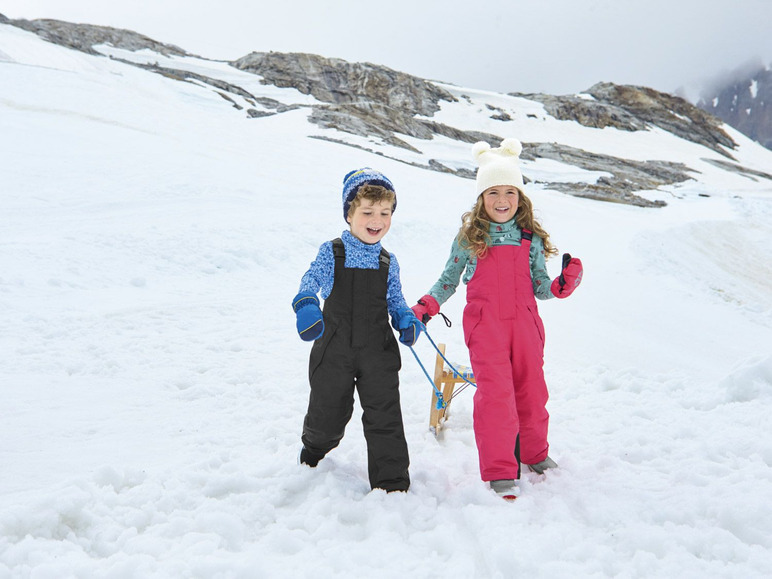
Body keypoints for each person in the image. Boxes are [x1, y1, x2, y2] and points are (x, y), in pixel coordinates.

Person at [411, 138, 583, 500]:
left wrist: (562, 284)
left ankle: (534, 454)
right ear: (481, 198)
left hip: (525, 325)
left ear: (520, 197)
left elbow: (540, 285)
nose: (502, 200)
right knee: (496, 397)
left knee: (532, 393)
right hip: (486, 326)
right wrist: (426, 306)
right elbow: (448, 280)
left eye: (509, 191)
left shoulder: (528, 236)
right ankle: (501, 469)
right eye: (492, 192)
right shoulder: (470, 238)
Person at [291, 168, 423, 493]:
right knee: (328, 412)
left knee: (385, 415)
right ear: (349, 214)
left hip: (378, 351)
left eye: (384, 212)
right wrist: (307, 304)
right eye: (367, 211)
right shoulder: (332, 252)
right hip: (334, 348)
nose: (376, 220)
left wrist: (406, 320)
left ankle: (392, 484)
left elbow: (396, 301)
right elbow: (312, 279)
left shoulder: (387, 262)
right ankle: (314, 454)